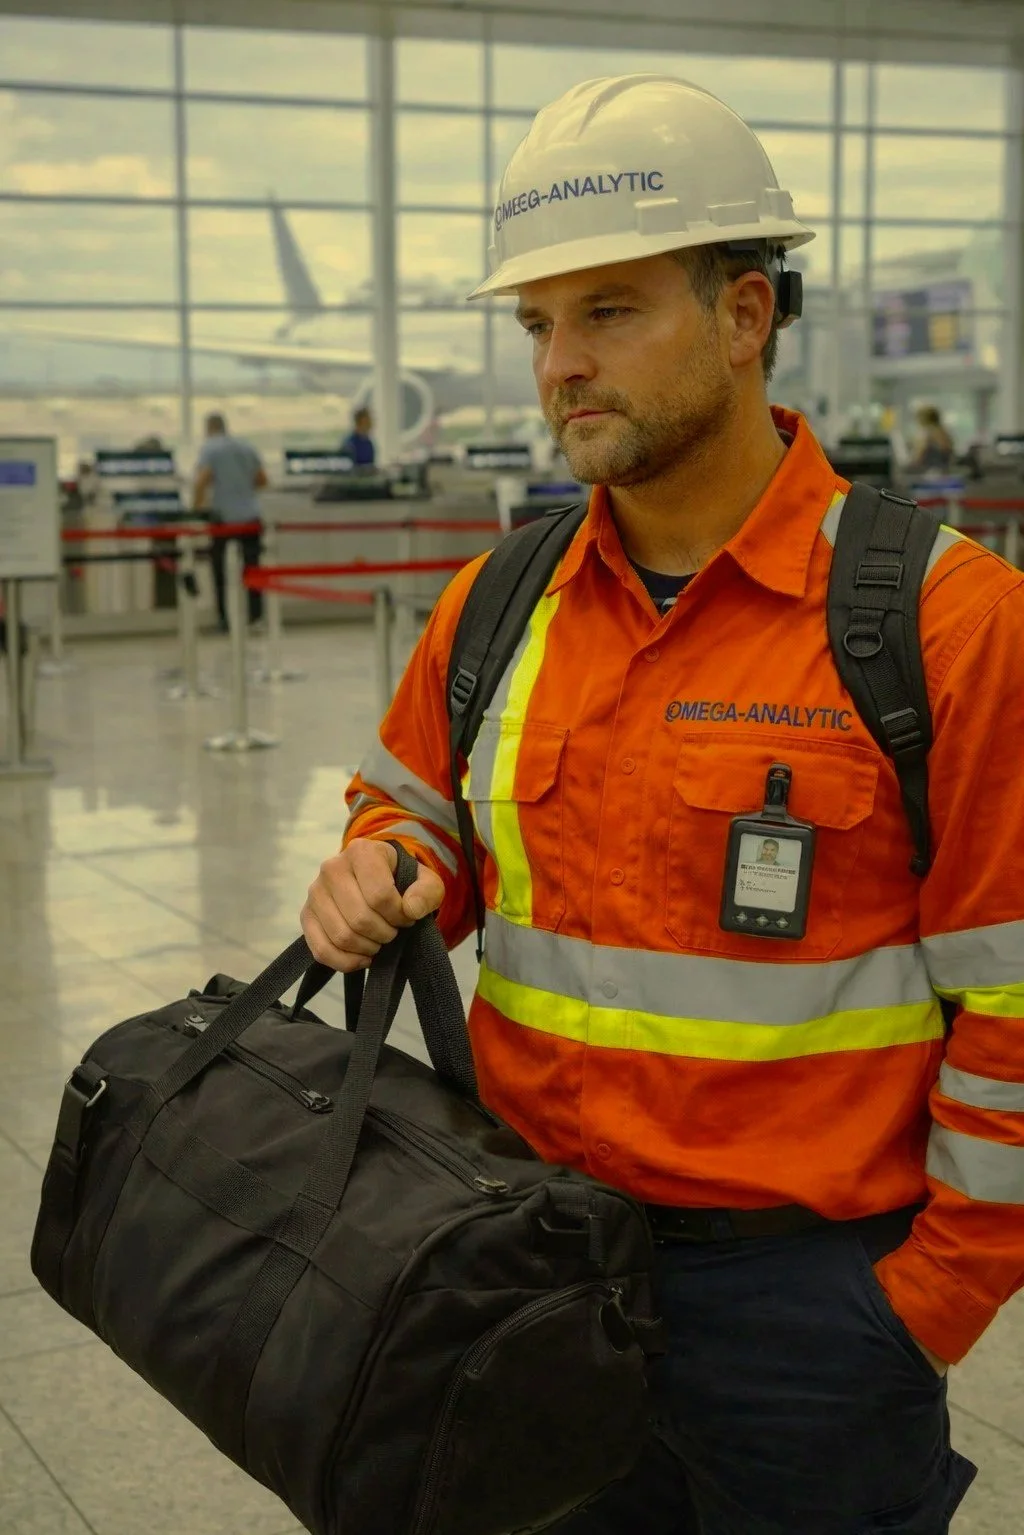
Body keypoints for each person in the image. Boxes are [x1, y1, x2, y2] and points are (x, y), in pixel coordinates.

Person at [302, 75, 1024, 1534]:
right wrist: (377, 871)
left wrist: (924, 1299)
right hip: (522, 1258)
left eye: (610, 312)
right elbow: (415, 821)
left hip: (809, 1309)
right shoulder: (499, 602)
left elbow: (1017, 996)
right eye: (537, 325)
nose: (561, 364)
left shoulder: (948, 620)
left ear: (748, 313)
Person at [193, 412, 267, 629]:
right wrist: (243, 491)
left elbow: (202, 481)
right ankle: (256, 617)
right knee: (253, 569)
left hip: (223, 519)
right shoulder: (246, 447)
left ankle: (224, 619)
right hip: (251, 517)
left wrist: (196, 508)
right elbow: (262, 480)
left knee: (220, 571)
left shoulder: (210, 448)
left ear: (209, 429)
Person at [909, 405, 955, 475]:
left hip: (931, 473)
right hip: (944, 471)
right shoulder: (943, 431)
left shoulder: (927, 433)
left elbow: (918, 458)